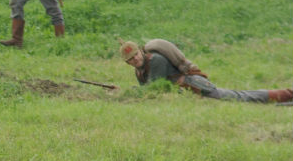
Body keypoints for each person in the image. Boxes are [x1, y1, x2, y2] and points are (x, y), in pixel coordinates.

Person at [120, 39, 292, 103]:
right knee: (238, 97)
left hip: (195, 86)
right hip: (188, 91)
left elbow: (152, 89)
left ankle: (286, 94)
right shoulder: (139, 70)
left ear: (141, 51)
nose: (135, 59)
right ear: (128, 63)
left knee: (239, 97)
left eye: (136, 55)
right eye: (131, 59)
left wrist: (127, 92)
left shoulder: (155, 60)